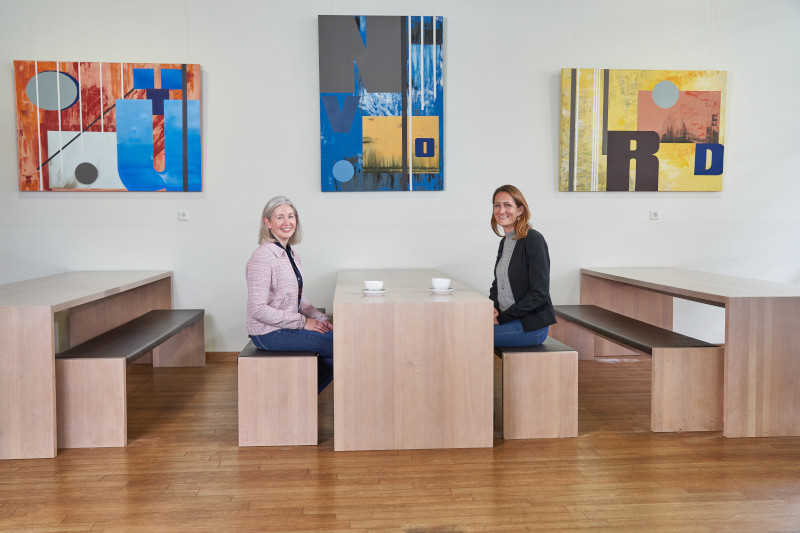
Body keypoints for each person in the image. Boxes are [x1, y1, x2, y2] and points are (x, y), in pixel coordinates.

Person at [246, 196, 334, 393]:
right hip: (268, 333)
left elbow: (297, 299)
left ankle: (300, 399)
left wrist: (321, 318)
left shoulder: (290, 253)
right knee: (340, 344)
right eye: (279, 217)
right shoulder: (262, 257)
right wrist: (303, 322)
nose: (287, 222)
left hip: (285, 327)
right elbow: (257, 309)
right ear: (267, 222)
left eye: (291, 216)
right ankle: (296, 400)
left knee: (336, 345)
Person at [489, 184, 556, 347]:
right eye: (497, 205)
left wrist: (502, 318)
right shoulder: (505, 242)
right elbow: (498, 284)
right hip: (508, 319)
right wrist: (492, 308)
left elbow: (539, 293)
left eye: (507, 205)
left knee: (471, 336)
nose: (501, 210)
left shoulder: (533, 240)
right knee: (465, 328)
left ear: (520, 210)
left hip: (531, 326)